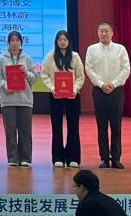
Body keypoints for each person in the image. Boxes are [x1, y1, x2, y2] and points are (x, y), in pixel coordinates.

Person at [85, 21, 131, 169]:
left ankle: (116, 158)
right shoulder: (92, 49)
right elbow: (89, 69)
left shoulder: (120, 49)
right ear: (97, 33)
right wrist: (101, 84)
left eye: (106, 31)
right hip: (99, 91)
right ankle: (104, 158)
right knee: (101, 126)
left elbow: (126, 69)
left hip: (116, 90)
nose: (104, 33)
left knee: (116, 126)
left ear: (112, 33)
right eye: (101, 31)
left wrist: (113, 83)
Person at [41, 29, 85, 168]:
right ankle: (58, 157)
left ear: (68, 41)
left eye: (65, 39)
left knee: (73, 127)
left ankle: (73, 158)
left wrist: (75, 89)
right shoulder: (50, 56)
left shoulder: (75, 56)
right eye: (60, 40)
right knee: (56, 127)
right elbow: (44, 75)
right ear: (56, 41)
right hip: (55, 96)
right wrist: (52, 88)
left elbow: (80, 76)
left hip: (73, 96)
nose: (62, 42)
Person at [0, 30, 37, 167]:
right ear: (8, 43)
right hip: (8, 100)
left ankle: (25, 158)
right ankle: (12, 158)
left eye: (17, 40)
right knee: (10, 130)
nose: (14, 43)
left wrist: (27, 73)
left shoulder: (27, 58)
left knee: (25, 130)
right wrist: (4, 85)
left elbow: (34, 78)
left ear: (21, 42)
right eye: (12, 40)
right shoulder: (2, 59)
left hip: (25, 99)